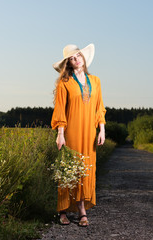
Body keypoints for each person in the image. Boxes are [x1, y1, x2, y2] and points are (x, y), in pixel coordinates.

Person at [51, 43, 106, 227]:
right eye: (72, 58)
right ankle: (63, 210)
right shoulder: (64, 83)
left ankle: (82, 209)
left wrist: (102, 129)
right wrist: (60, 134)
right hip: (71, 132)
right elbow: (60, 110)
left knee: (86, 169)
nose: (77, 60)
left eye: (79, 56)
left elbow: (99, 107)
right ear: (69, 63)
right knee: (70, 170)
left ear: (83, 57)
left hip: (90, 132)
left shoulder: (96, 81)